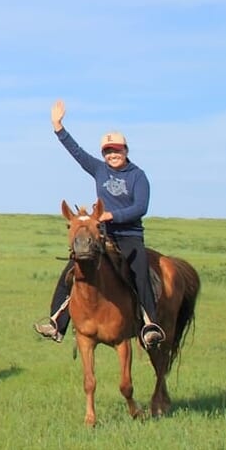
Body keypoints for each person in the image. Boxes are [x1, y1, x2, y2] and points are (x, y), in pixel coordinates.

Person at [33, 99, 165, 349]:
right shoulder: (99, 169)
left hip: (129, 235)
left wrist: (111, 216)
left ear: (126, 151)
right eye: (108, 151)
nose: (112, 155)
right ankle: (56, 321)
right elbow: (78, 153)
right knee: (72, 269)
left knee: (139, 272)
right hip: (102, 235)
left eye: (117, 150)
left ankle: (150, 324)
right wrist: (58, 127)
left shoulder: (138, 176)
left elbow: (141, 207)